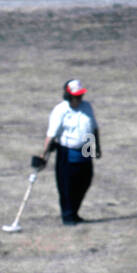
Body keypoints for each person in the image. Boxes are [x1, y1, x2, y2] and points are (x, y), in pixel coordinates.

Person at [39, 79, 100, 225]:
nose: (79, 99)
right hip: (67, 150)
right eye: (76, 96)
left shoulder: (87, 107)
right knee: (67, 185)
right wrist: (43, 154)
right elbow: (51, 134)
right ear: (68, 95)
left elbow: (94, 128)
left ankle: (75, 212)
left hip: (86, 147)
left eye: (80, 96)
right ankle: (67, 216)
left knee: (85, 181)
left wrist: (97, 147)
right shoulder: (60, 110)